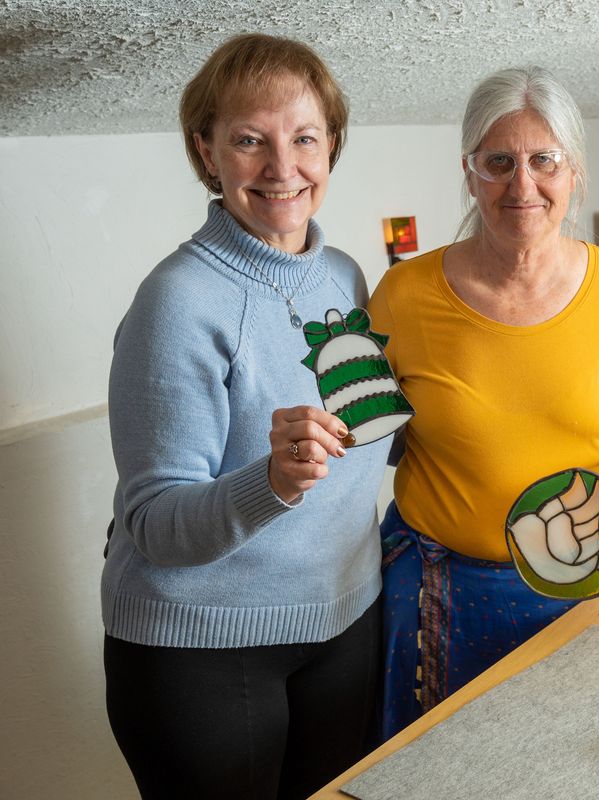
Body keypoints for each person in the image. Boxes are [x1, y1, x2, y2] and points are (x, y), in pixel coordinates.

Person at [101, 34, 390, 799]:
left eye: (304, 138)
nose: (282, 168)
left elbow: (368, 440)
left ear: (332, 147)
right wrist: (273, 480)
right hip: (200, 651)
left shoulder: (345, 273)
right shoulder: (179, 300)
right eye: (249, 141)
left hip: (345, 618)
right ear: (207, 153)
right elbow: (154, 522)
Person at [368, 66, 599, 736]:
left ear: (573, 171)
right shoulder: (404, 292)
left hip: (587, 580)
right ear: (469, 172)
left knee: (572, 756)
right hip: (438, 593)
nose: (523, 185)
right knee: (438, 769)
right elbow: (358, 435)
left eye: (544, 160)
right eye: (499, 162)